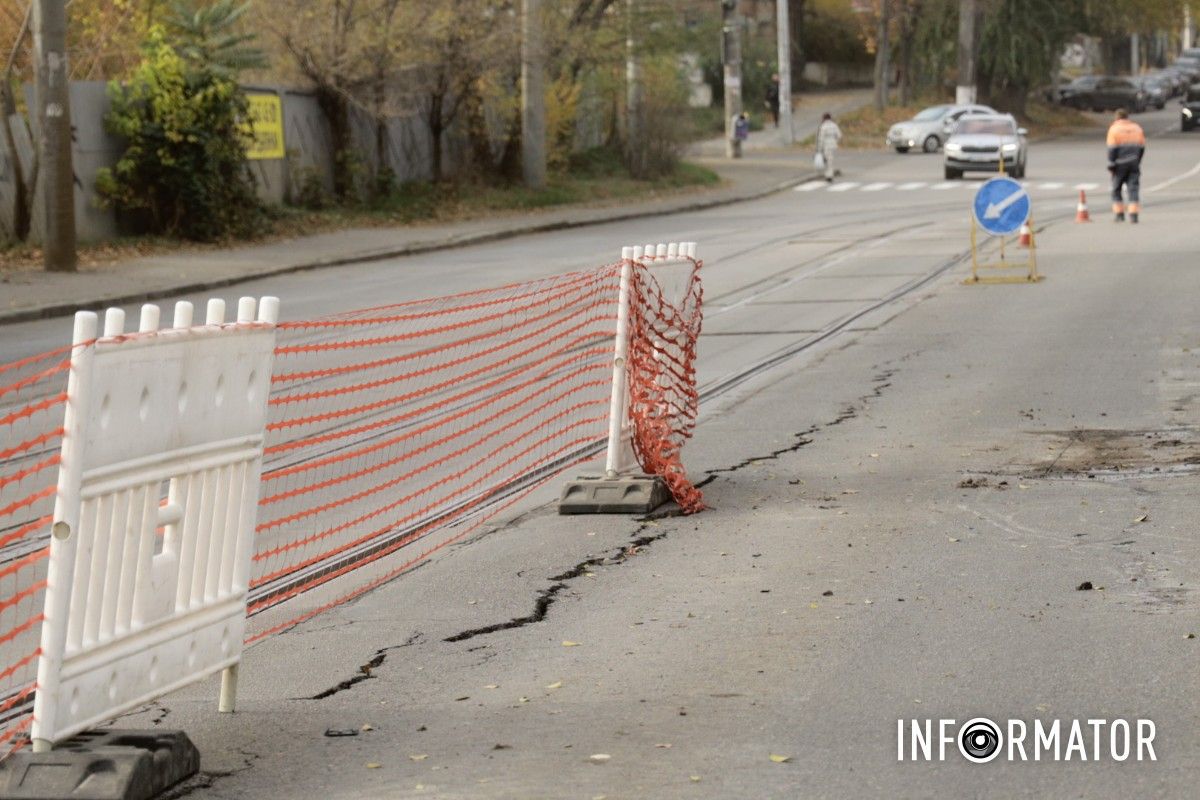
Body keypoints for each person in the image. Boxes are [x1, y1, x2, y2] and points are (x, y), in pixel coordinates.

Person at [1106, 108, 1145, 223]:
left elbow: (1112, 149)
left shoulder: (1114, 129)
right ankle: (1133, 214)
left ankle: (1119, 214)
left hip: (1119, 164)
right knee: (1133, 188)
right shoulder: (1137, 128)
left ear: (1116, 117)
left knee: (1116, 189)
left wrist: (1111, 164)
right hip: (1134, 163)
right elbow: (1142, 148)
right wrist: (1137, 160)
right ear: (1127, 117)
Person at [815, 112, 842, 182]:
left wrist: (819, 148)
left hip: (826, 145)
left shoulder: (823, 126)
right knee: (830, 159)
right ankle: (829, 174)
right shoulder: (834, 125)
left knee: (828, 160)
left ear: (824, 118)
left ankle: (829, 175)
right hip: (833, 144)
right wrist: (835, 141)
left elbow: (821, 138)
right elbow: (839, 135)